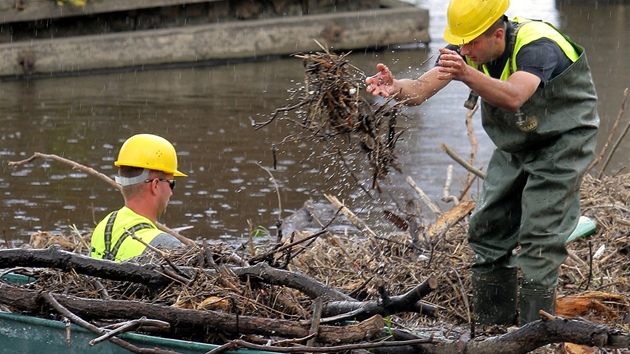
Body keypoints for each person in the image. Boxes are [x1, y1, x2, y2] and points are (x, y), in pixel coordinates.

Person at [366, 0, 599, 326]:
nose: (465, 49)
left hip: (563, 141)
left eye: (472, 42)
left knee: (539, 239)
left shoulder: (537, 46)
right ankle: (494, 327)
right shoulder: (468, 49)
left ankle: (534, 334)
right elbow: (421, 89)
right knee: (487, 229)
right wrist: (396, 88)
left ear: (498, 35)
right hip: (517, 144)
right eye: (461, 42)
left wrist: (466, 73)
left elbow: (515, 96)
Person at [90, 133, 188, 261]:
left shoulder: (103, 226)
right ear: (155, 185)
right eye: (171, 184)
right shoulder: (165, 246)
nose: (171, 193)